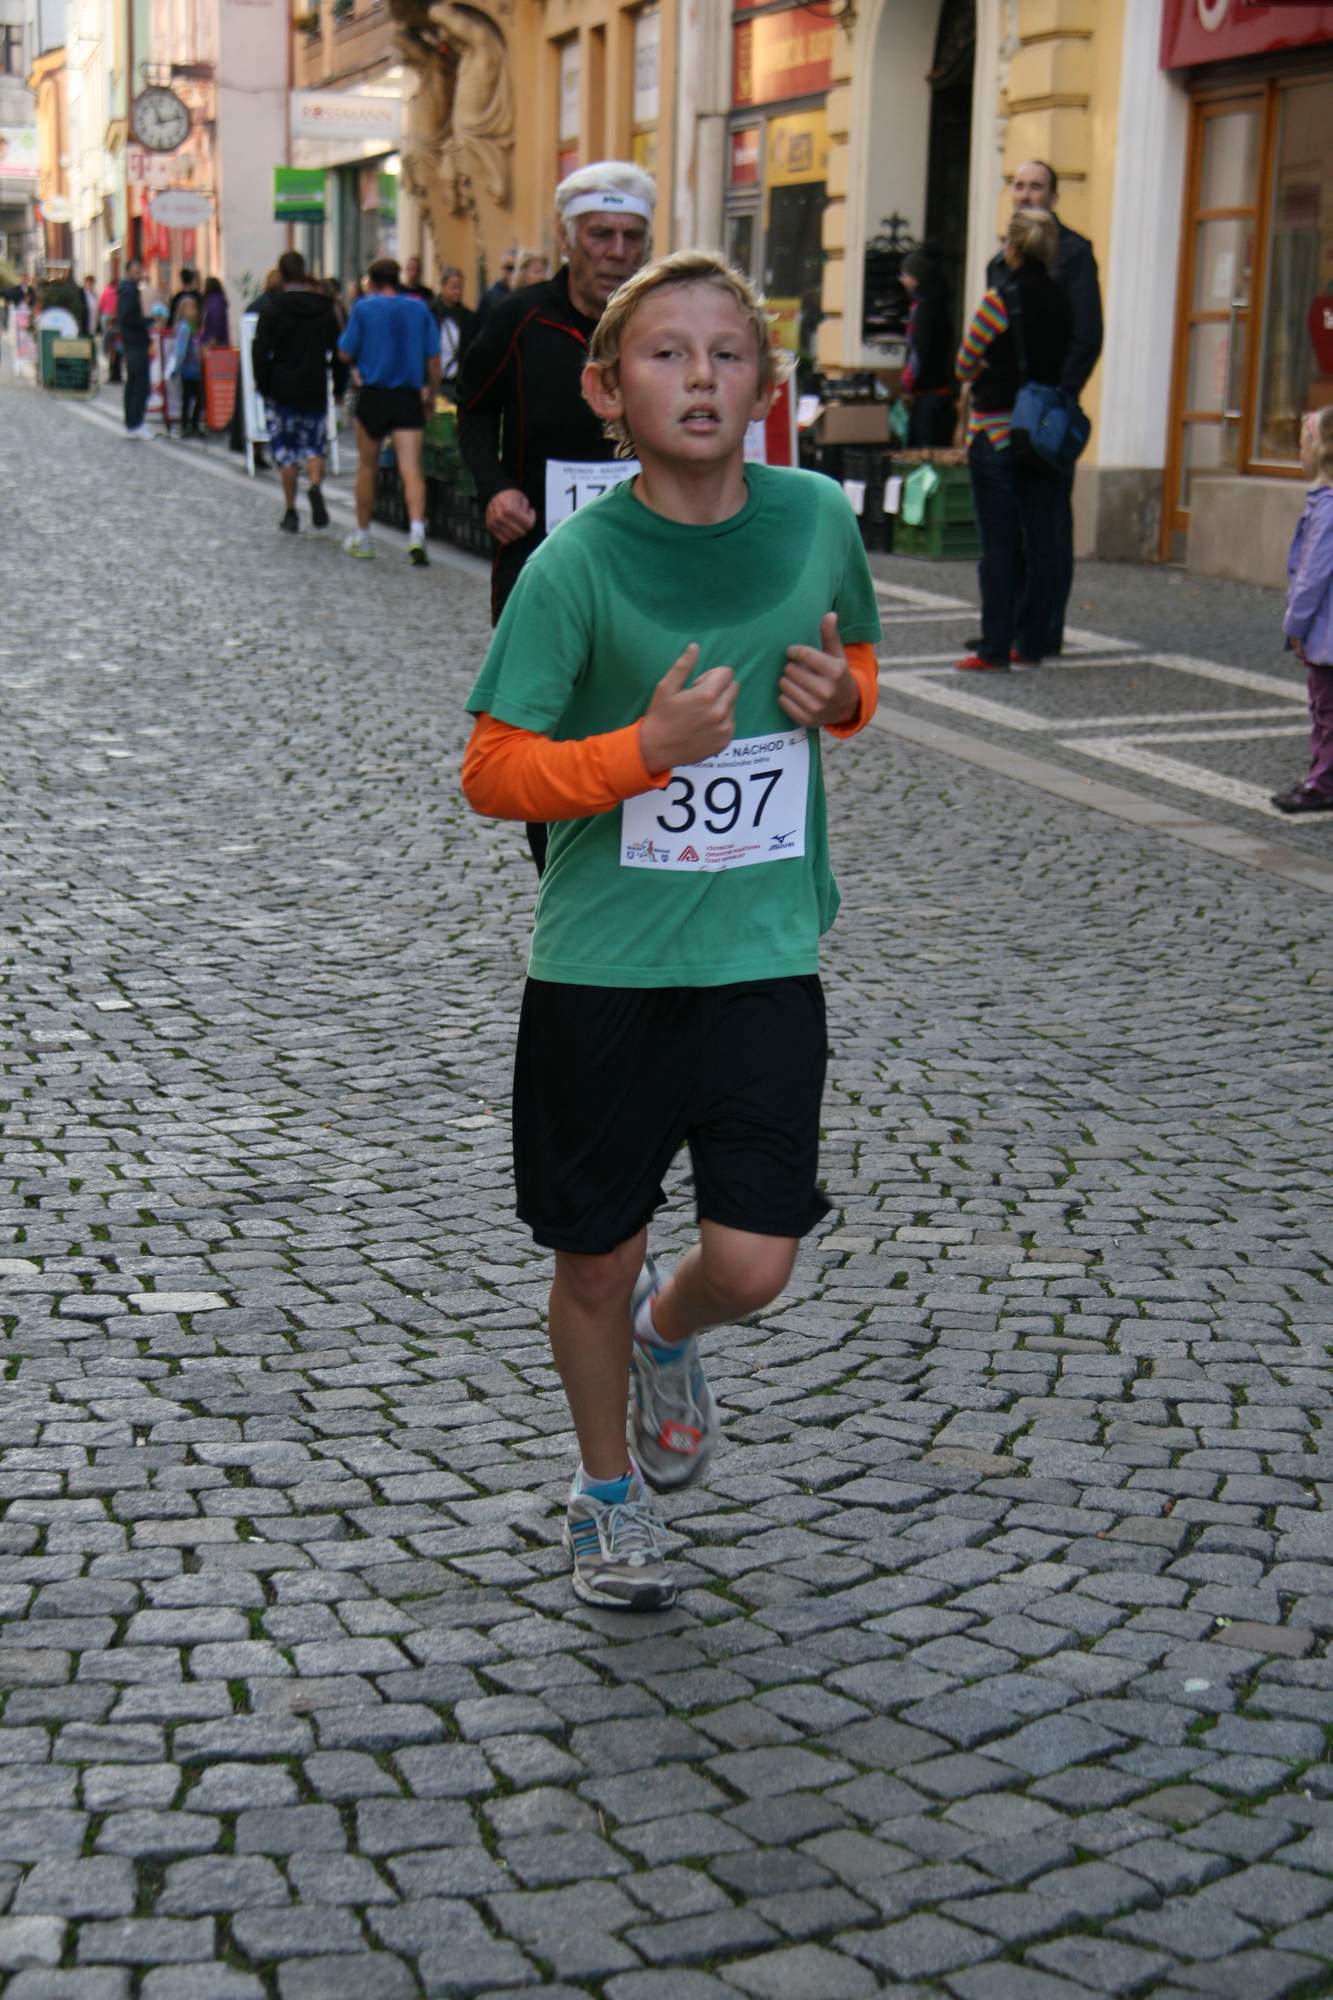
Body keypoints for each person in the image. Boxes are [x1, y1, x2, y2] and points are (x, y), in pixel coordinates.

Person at [461, 249, 882, 1611]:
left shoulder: (814, 515)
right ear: (606, 390)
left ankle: (668, 1330)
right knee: (596, 1253)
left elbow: (854, 660)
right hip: (606, 963)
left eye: (727, 354)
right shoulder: (572, 565)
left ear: (764, 386)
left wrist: (843, 700)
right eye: (665, 354)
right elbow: (491, 770)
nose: (700, 377)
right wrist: (640, 751)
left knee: (752, 1261)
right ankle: (605, 1494)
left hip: (764, 946)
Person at [458, 160, 655, 871]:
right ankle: (561, 879)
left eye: (631, 236)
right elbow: (471, 410)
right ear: (567, 238)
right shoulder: (520, 318)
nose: (617, 252)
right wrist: (493, 489)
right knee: (544, 729)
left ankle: (638, 868)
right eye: (601, 234)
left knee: (640, 713)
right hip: (540, 559)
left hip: (645, 557)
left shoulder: (659, 318)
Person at [980, 160, 1102, 658]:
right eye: (1019, 185)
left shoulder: (1074, 254)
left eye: (1036, 187)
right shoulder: (999, 262)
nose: (1027, 194)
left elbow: (1087, 334)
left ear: (1053, 197)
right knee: (1008, 527)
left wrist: (1057, 396)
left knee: (1048, 526)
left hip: (1047, 412)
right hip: (1004, 414)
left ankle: (1043, 631)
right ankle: (1007, 628)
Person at [954, 208, 1072, 672]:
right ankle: (1032, 640)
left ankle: (995, 646)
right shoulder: (1063, 301)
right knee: (1040, 541)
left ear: (1013, 249)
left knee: (999, 546)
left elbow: (964, 364)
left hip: (996, 433)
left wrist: (988, 367)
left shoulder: (998, 301)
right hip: (1043, 437)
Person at [337, 255, 441, 563]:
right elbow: (434, 360)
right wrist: (432, 395)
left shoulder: (364, 308)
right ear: (397, 280)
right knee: (412, 469)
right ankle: (417, 535)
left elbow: (344, 352)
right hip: (408, 396)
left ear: (372, 282)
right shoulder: (419, 308)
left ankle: (363, 536)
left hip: (374, 395)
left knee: (367, 467)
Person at [252, 249, 341, 534]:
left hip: (283, 388)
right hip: (314, 385)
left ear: (281, 275)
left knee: (287, 452)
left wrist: (263, 384)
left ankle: (290, 510)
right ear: (304, 273)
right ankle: (314, 485)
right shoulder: (324, 308)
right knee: (315, 446)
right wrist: (338, 387)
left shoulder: (273, 309)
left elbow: (260, 351)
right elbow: (338, 351)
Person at [1271, 408, 1333, 815]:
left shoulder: (1327, 508)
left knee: (1326, 710)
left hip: (1326, 635)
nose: (1298, 452)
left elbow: (1313, 576)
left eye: (1301, 444)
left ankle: (1322, 784)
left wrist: (1295, 626)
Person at [899, 246, 956, 448]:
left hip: (926, 395)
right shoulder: (940, 305)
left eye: (905, 275)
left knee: (922, 452)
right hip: (942, 392)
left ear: (915, 278)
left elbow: (919, 352)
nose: (902, 281)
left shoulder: (922, 310)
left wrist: (906, 384)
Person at [117, 256, 152, 439]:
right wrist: (147, 321)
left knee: (133, 384)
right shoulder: (129, 291)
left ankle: (132, 423)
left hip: (132, 343)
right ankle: (135, 423)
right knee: (140, 385)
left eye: (140, 271)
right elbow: (128, 317)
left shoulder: (127, 290)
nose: (140, 275)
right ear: (129, 272)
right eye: (137, 271)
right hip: (135, 344)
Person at [434, 265, 476, 398]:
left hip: (458, 381)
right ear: (443, 287)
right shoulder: (431, 313)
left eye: (460, 287)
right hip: (436, 380)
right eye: (453, 287)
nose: (458, 292)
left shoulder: (468, 317)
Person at [166, 295, 204, 436]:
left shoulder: (190, 327)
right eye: (192, 308)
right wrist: (176, 368)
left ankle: (190, 424)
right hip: (189, 369)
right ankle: (188, 424)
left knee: (193, 397)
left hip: (193, 368)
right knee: (192, 397)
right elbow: (181, 349)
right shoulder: (185, 327)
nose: (195, 311)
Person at [475, 245, 516, 323]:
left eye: (516, 268)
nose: (513, 273)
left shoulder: (526, 295)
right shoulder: (490, 297)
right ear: (502, 269)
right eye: (509, 268)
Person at [98, 271, 122, 382]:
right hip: (117, 322)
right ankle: (116, 371)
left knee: (109, 345)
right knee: (117, 347)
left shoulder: (105, 291)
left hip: (108, 320)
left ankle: (111, 368)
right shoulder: (119, 293)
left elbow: (101, 305)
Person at [200, 275, 229, 348]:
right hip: (219, 341)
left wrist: (213, 339)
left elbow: (216, 320)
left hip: (213, 342)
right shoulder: (218, 301)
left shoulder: (214, 302)